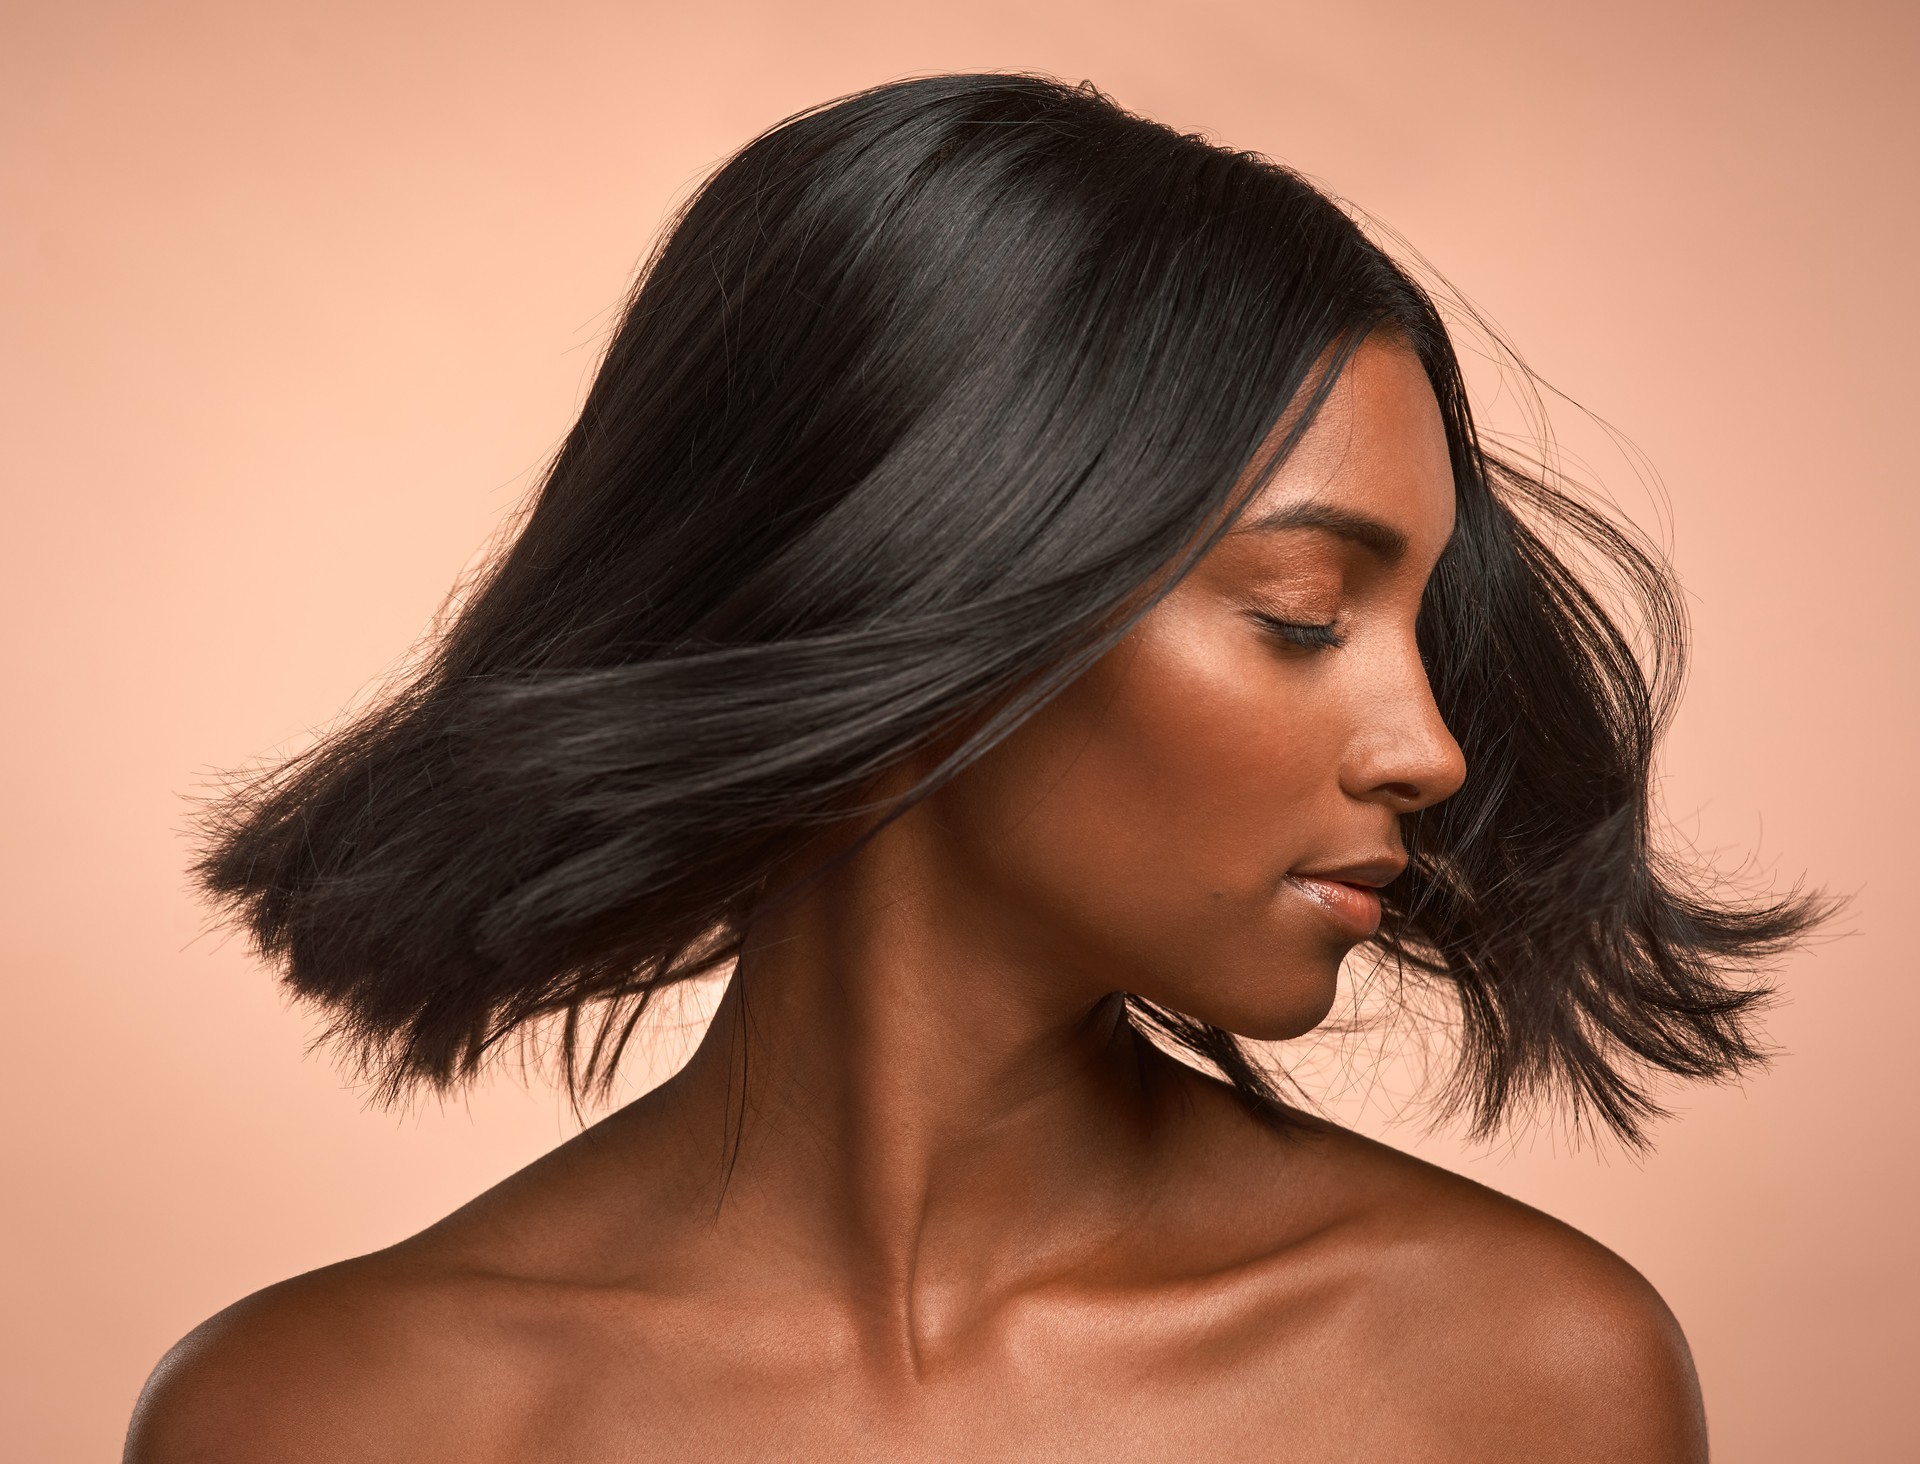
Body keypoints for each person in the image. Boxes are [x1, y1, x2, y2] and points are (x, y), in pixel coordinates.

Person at [125, 72, 1821, 1462]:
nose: (1432, 746)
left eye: (1420, 630)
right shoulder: (318, 1421)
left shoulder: (1512, 1381)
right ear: (929, 593)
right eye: (1305, 612)